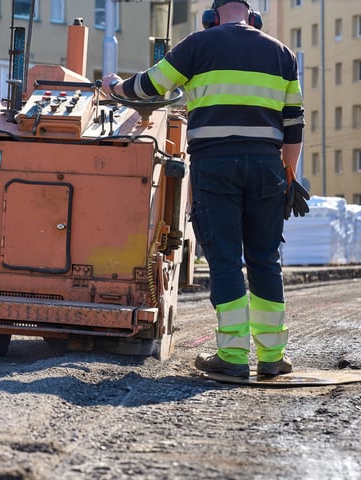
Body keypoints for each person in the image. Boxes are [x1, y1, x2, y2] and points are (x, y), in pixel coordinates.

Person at [102, 0, 307, 378]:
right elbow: (294, 124)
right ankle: (272, 357)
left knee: (227, 259)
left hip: (215, 165)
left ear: (212, 15)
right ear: (252, 15)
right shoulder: (282, 53)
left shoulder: (198, 45)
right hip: (267, 167)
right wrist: (289, 176)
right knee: (265, 259)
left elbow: (148, 87)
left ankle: (231, 358)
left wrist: (115, 85)